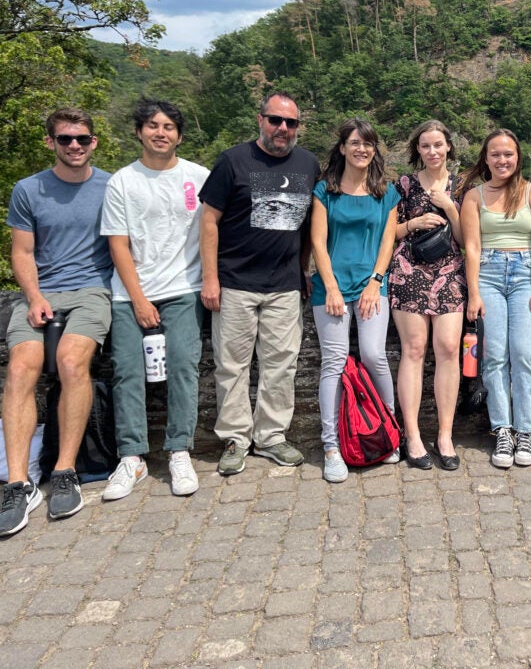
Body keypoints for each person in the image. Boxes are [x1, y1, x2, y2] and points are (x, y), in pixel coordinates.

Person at [0, 108, 113, 535]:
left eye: (82, 139)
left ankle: (65, 470)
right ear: (50, 142)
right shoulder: (29, 189)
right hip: (42, 291)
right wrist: (33, 298)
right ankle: (17, 483)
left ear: (93, 142)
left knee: (70, 361)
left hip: (92, 290)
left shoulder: (109, 186)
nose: (74, 146)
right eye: (65, 139)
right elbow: (22, 252)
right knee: (20, 368)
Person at [199, 91, 319, 475]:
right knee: (232, 366)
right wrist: (210, 278)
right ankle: (236, 439)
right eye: (275, 120)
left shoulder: (308, 164)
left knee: (281, 365)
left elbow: (308, 227)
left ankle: (271, 437)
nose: (283, 128)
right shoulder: (233, 160)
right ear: (260, 120)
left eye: (291, 123)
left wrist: (303, 270)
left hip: (284, 285)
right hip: (235, 282)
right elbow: (208, 221)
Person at [99, 100, 209, 500]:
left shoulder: (199, 177)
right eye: (152, 126)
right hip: (131, 292)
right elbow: (118, 244)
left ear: (179, 135)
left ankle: (179, 449)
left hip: (184, 287)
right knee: (127, 371)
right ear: (139, 132)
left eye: (168, 127)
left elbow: (213, 232)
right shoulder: (122, 182)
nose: (160, 133)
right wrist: (139, 299)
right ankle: (132, 457)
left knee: (183, 365)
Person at [311, 119, 400, 481]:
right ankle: (331, 446)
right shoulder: (324, 190)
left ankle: (389, 431)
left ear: (374, 150)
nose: (362, 149)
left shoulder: (386, 193)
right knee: (333, 361)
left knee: (373, 354)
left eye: (368, 144)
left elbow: (387, 242)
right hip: (330, 288)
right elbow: (318, 242)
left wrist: (375, 283)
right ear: (343, 148)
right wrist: (331, 287)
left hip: (371, 286)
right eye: (354, 143)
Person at [462, 129, 531, 469]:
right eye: (496, 154)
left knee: (524, 354)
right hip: (487, 275)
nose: (502, 160)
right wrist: (473, 293)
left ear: (518, 158)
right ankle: (502, 428)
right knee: (495, 356)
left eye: (508, 154)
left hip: (526, 273)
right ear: (486, 158)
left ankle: (525, 430)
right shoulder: (474, 197)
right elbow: (471, 247)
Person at [388, 120, 466, 471]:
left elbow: (467, 240)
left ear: (448, 146)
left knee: (449, 349)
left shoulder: (463, 186)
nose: (432, 151)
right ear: (417, 150)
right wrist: (412, 225)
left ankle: (445, 435)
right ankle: (413, 436)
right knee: (415, 349)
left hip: (450, 272)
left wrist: (449, 207)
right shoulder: (402, 185)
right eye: (425, 146)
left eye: (438, 145)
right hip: (408, 271)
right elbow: (387, 231)